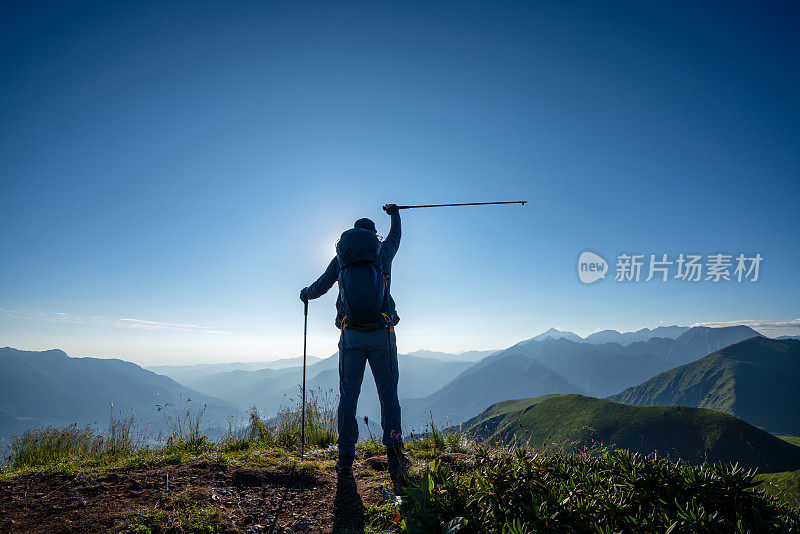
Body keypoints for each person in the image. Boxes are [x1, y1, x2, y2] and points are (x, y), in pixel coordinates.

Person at [300, 203, 408, 488]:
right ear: (374, 236)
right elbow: (396, 235)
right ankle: (395, 452)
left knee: (348, 395)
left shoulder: (342, 258)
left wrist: (305, 295)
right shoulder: (382, 252)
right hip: (382, 333)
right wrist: (395, 213)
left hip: (351, 337)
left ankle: (345, 456)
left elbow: (321, 286)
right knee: (388, 393)